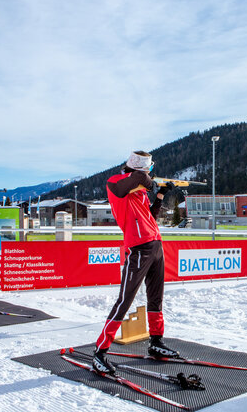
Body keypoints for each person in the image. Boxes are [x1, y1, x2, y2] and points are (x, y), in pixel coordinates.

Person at [92, 151, 178, 374]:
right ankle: (100, 351)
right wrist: (152, 182)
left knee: (156, 297)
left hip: (155, 244)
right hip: (138, 248)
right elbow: (141, 180)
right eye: (147, 168)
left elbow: (150, 216)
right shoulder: (117, 182)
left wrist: (160, 196)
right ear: (140, 168)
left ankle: (156, 342)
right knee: (125, 300)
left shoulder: (137, 189)